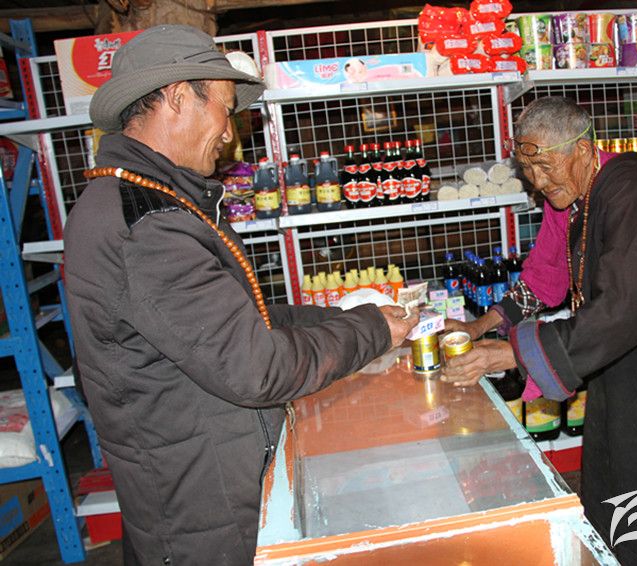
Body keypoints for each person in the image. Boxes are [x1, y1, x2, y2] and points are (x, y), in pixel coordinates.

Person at [64, 25, 417, 565]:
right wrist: (372, 331)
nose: (230, 134)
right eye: (225, 111)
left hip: (203, 486)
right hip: (203, 516)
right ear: (178, 97)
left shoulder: (147, 202)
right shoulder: (147, 225)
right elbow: (255, 368)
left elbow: (224, 321)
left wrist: (336, 315)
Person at [441, 97, 637, 565]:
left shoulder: (634, 189)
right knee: (622, 467)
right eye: (529, 172)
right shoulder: (570, 194)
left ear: (585, 150)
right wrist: (483, 324)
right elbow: (546, 273)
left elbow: (623, 306)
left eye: (545, 168)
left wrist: (514, 353)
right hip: (624, 352)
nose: (538, 183)